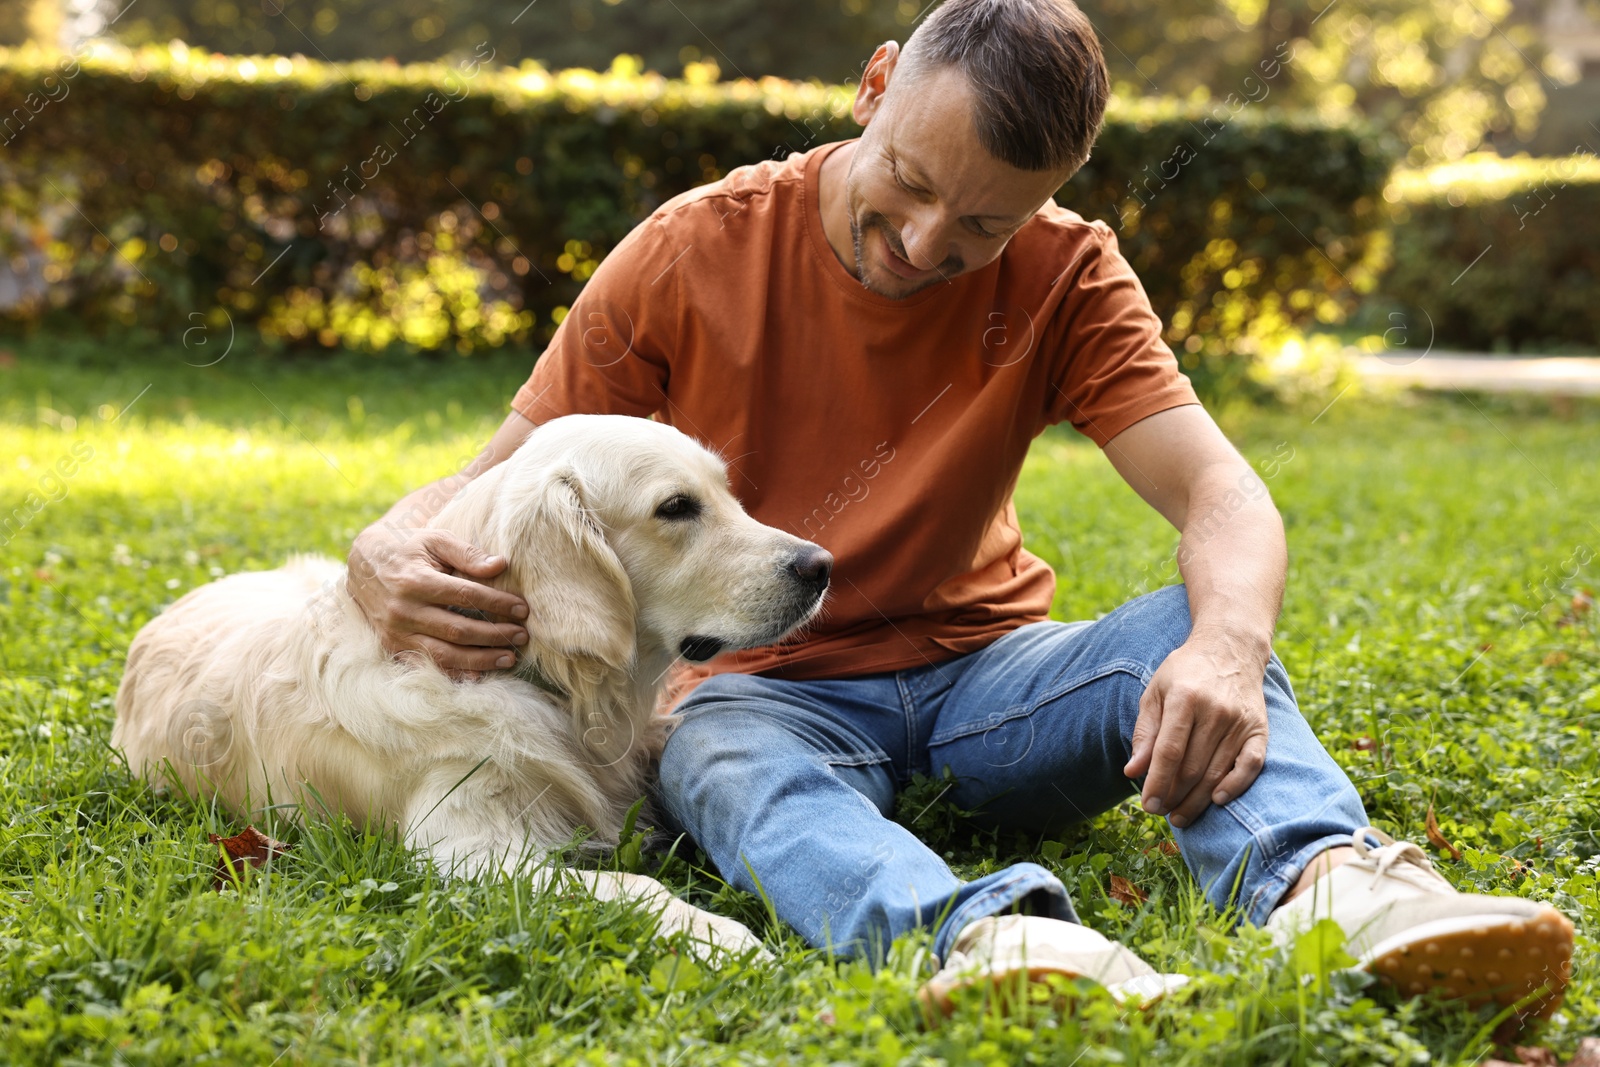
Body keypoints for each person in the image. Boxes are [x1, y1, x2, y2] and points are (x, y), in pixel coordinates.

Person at [347, 0, 1574, 1018]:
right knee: (715, 752)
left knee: (1180, 638)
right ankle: (990, 941)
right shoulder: (688, 252)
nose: (926, 242)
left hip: (994, 684)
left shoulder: (1071, 271)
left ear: (1051, 190)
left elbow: (1219, 491)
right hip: (766, 690)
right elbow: (492, 476)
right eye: (911, 183)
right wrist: (380, 552)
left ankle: (1338, 888)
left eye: (985, 221)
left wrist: (1224, 646)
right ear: (875, 87)